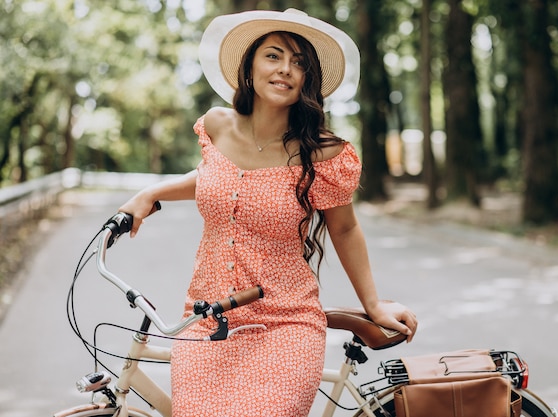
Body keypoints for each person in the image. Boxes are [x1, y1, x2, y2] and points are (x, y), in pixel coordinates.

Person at [118, 8, 418, 417]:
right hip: (206, 321)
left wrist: (375, 303)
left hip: (285, 324)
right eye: (273, 56)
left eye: (299, 63)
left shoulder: (323, 153)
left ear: (308, 80)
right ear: (250, 67)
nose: (285, 70)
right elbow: (212, 178)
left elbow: (345, 230)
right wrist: (151, 192)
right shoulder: (218, 126)